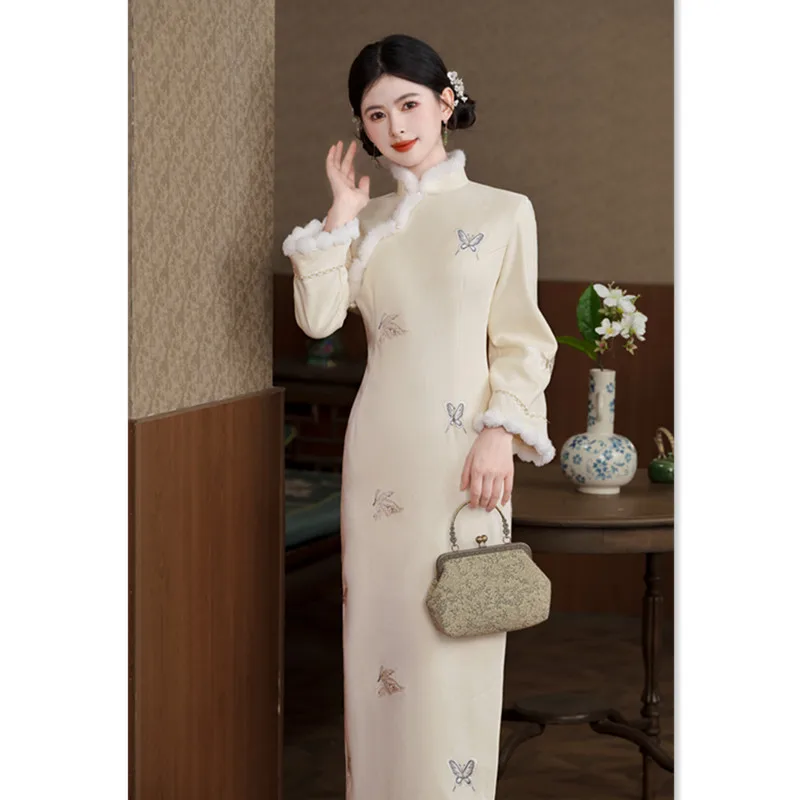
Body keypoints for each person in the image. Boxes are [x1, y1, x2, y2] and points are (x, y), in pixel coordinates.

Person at [282, 33, 558, 800]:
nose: (396, 125)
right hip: (380, 457)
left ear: (444, 102)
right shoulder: (365, 225)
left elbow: (524, 340)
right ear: (362, 128)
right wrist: (340, 215)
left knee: (456, 643)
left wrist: (500, 431)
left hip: (466, 459)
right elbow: (318, 319)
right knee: (381, 651)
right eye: (376, 114)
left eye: (408, 103)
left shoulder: (503, 212)